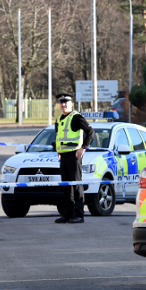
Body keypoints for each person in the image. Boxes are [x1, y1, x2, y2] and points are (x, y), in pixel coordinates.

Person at [54, 93, 94, 224]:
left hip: (74, 155)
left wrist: (83, 148)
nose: (63, 104)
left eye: (66, 102)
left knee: (76, 185)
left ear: (71, 104)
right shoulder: (60, 119)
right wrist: (58, 150)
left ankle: (79, 215)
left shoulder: (76, 117)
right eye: (61, 102)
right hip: (64, 155)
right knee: (66, 186)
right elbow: (59, 137)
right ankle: (68, 214)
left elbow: (90, 131)